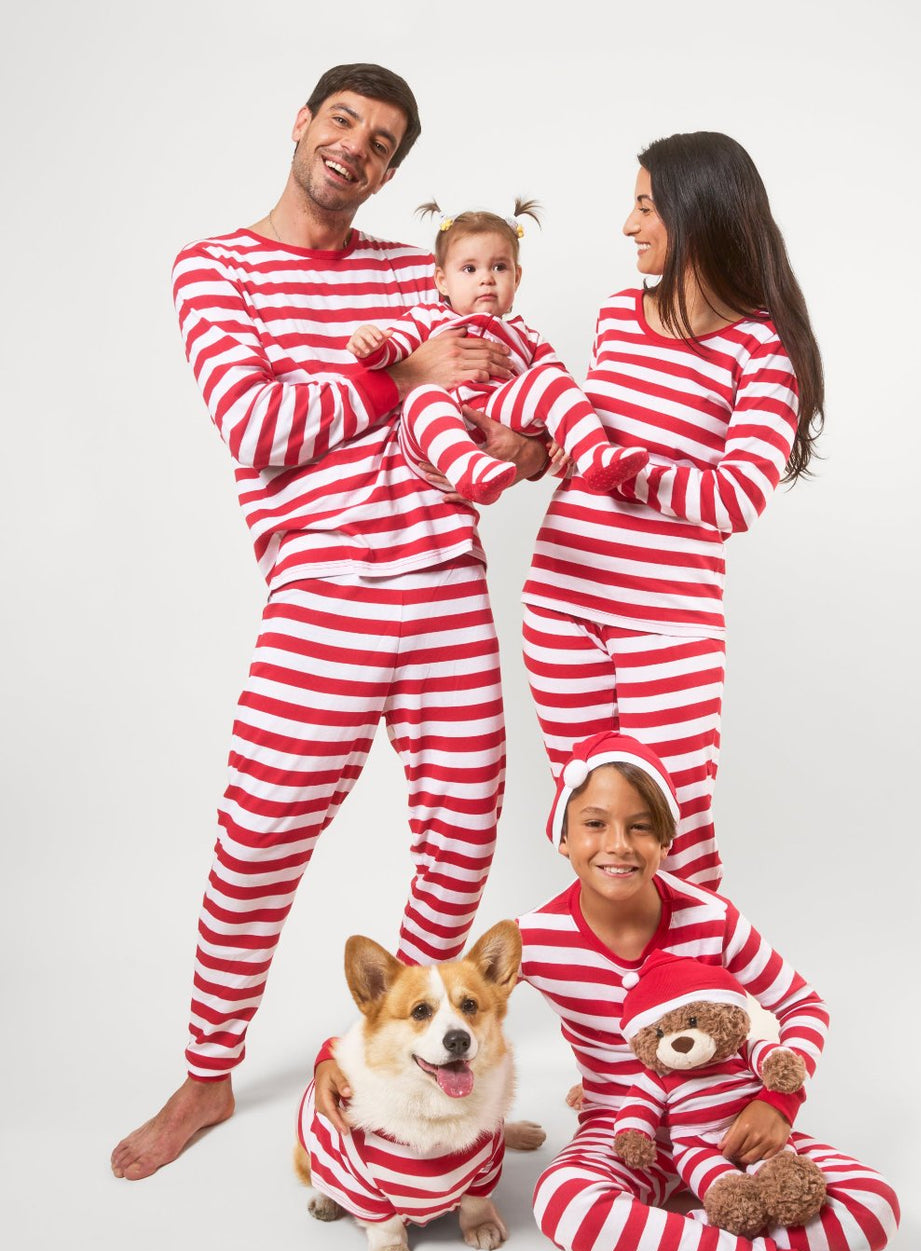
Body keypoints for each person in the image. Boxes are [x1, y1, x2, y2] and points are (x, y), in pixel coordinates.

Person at [110, 63, 546, 1182]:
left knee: (462, 838)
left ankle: (432, 1077)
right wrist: (408, 374)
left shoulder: (421, 269)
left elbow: (497, 388)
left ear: (395, 170)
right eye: (343, 120)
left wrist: (520, 439)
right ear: (303, 124)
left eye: (384, 140)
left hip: (447, 585)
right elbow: (257, 424)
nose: (358, 145)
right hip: (326, 598)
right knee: (257, 839)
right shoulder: (217, 269)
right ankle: (209, 1075)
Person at [315, 733, 897, 1251]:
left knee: (875, 1208)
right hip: (620, 1132)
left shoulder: (713, 918)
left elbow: (803, 1006)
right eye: (595, 824)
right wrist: (328, 1057)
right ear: (564, 837)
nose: (618, 845)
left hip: (732, 1124)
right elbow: (414, 998)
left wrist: (779, 1102)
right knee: (560, 1207)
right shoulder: (532, 938)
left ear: (666, 840)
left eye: (641, 827)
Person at [522, 132, 826, 892]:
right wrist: (536, 441)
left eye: (646, 205)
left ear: (697, 214)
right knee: (591, 815)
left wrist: (624, 469)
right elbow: (587, 440)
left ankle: (692, 980)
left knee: (670, 817)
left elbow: (736, 495)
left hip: (668, 623)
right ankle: (615, 981)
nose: (629, 225)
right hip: (560, 601)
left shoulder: (762, 349)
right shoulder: (618, 315)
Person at [347, 200, 646, 504]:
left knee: (550, 379)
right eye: (469, 269)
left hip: (497, 416)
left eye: (499, 267)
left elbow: (560, 391)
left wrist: (556, 436)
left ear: (516, 277)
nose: (486, 278)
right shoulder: (429, 317)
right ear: (442, 281)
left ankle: (595, 456)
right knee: (424, 397)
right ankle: (470, 471)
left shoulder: (526, 337)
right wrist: (373, 346)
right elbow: (392, 353)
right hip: (437, 436)